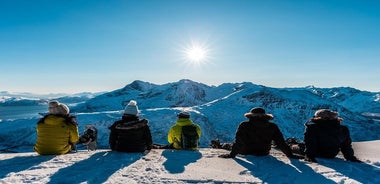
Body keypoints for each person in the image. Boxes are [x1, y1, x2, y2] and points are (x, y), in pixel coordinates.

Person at [218, 107, 301, 159]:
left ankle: (219, 145)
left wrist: (232, 155)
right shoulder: (272, 126)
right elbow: (280, 143)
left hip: (245, 151)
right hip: (263, 152)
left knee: (229, 145)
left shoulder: (244, 125)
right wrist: (290, 155)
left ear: (250, 116)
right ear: (265, 116)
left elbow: (239, 142)